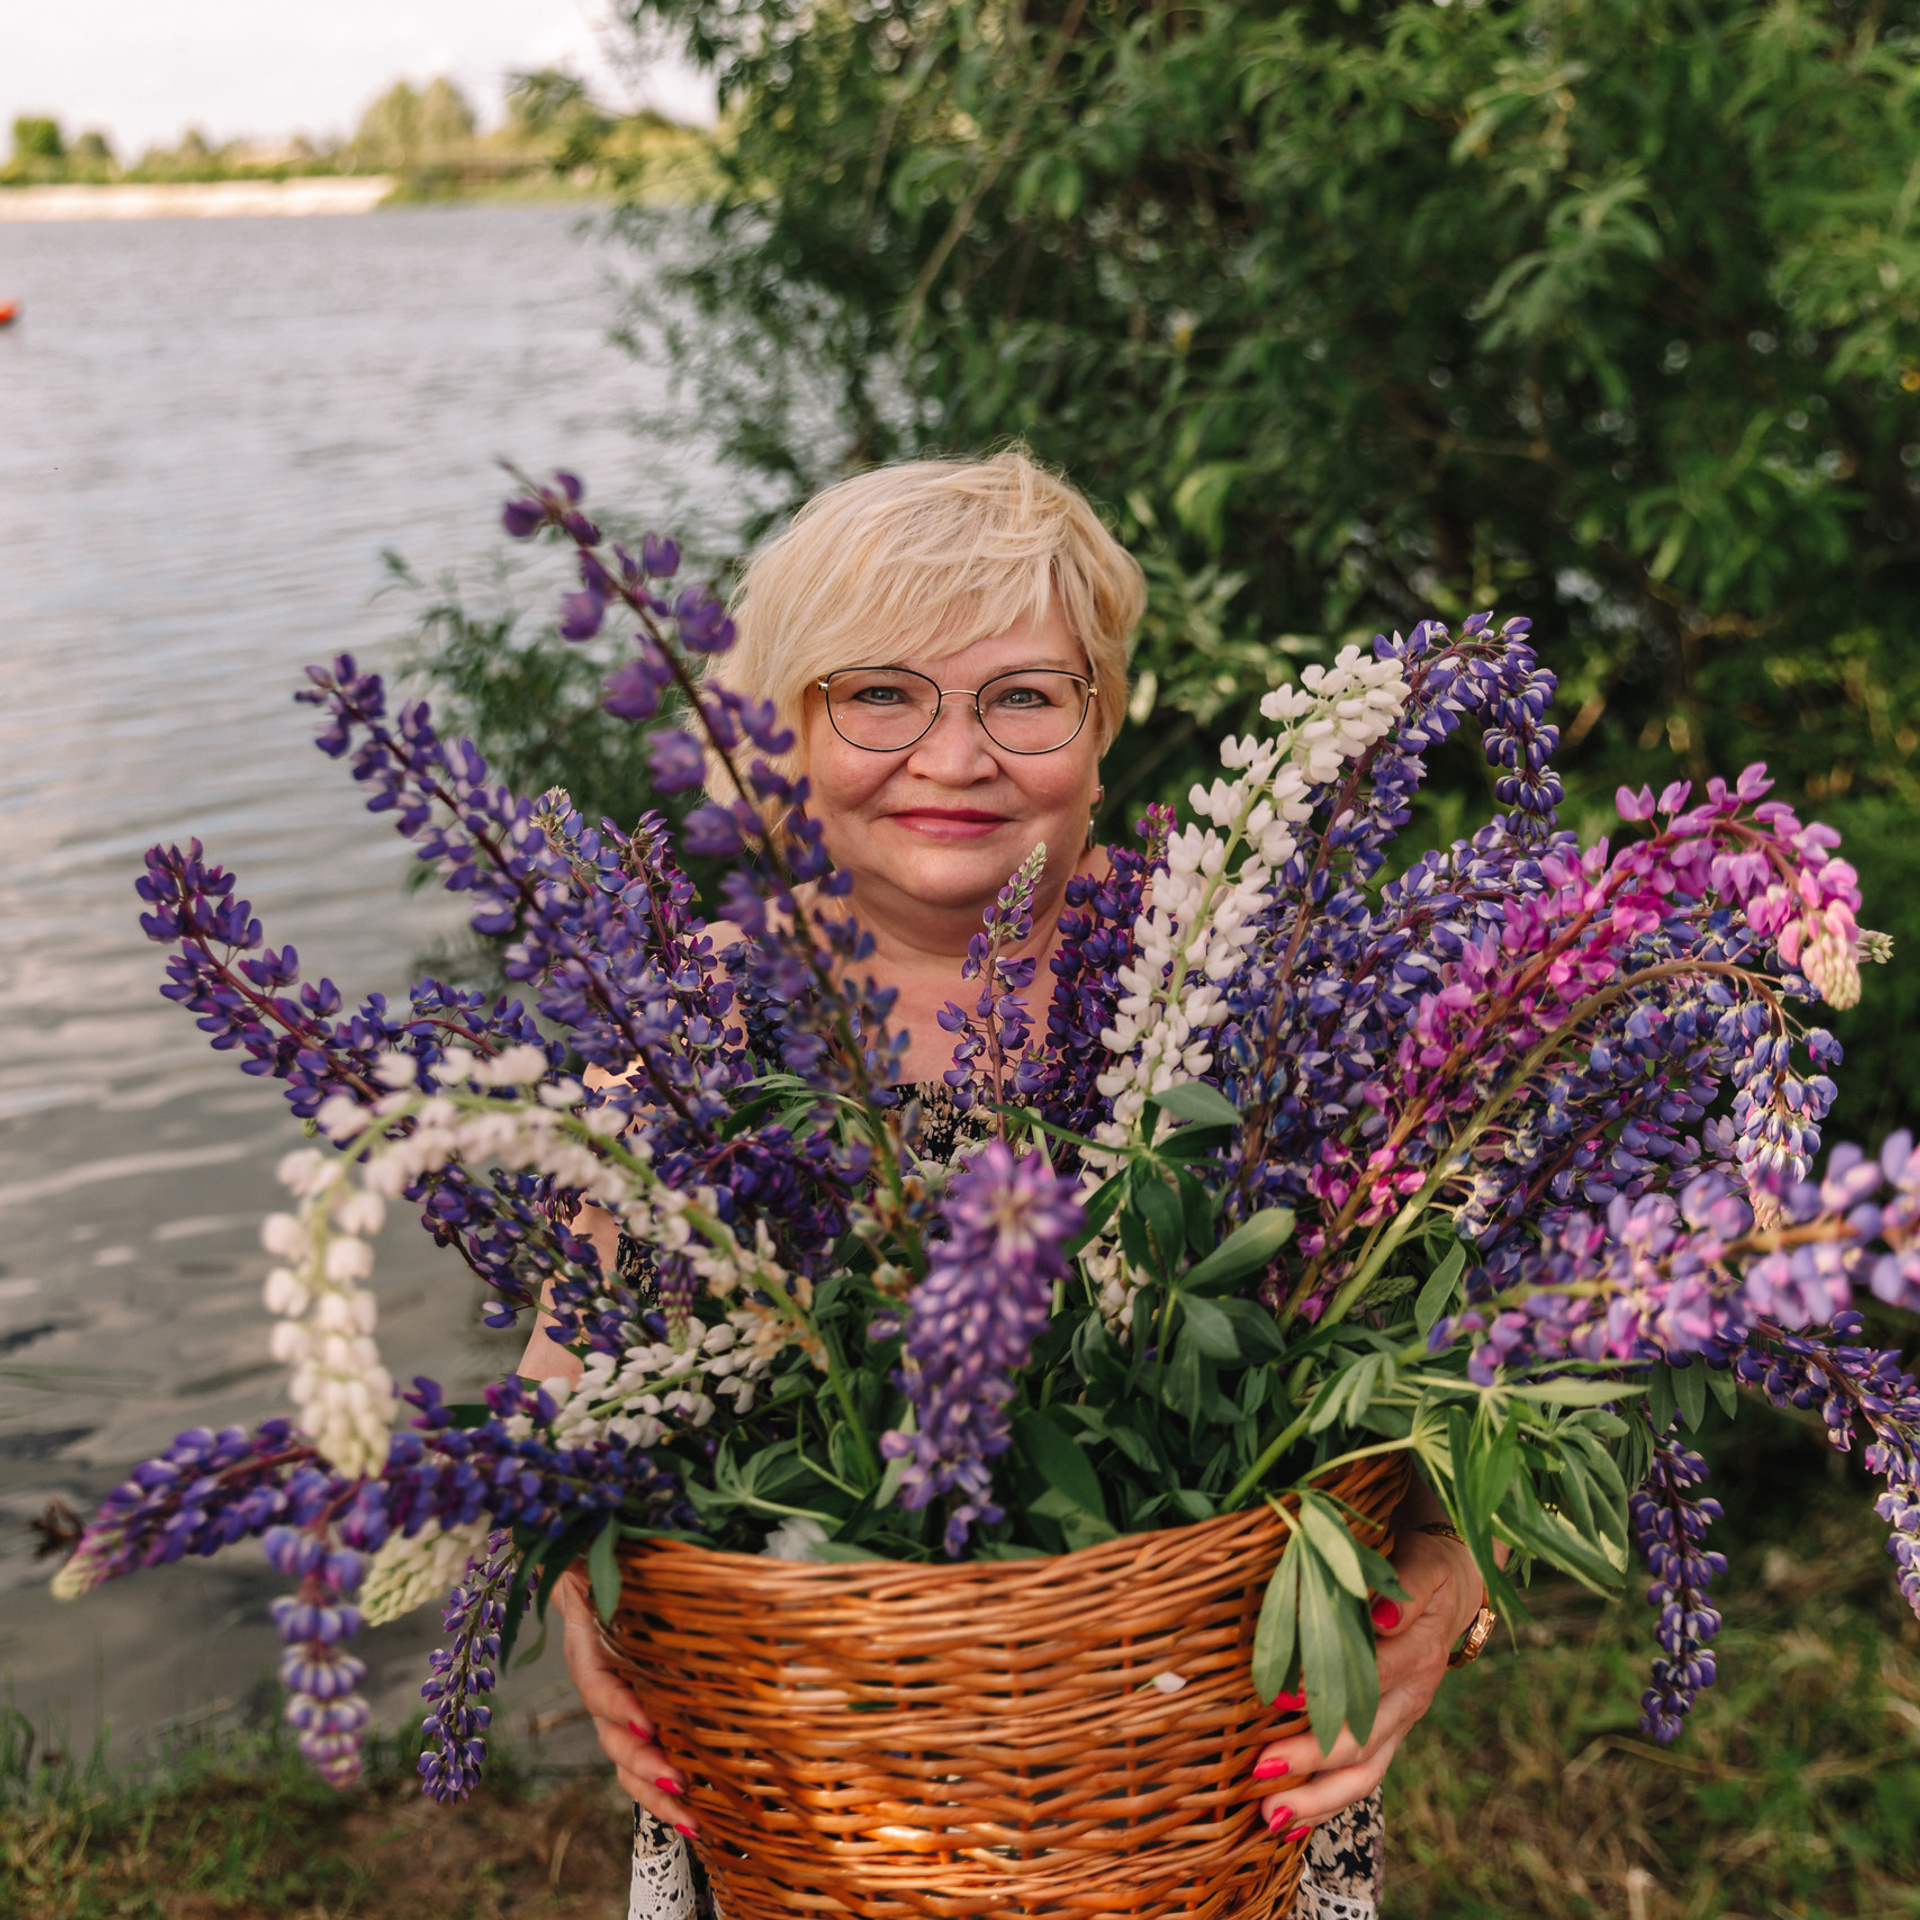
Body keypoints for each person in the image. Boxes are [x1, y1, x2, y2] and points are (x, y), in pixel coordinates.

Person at [517, 450, 1490, 1920]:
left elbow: (1455, 1371)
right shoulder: (681, 1021)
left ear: (1102, 727)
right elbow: (560, 1399)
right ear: (778, 731)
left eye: (1025, 697)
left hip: (1209, 1816)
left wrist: (1446, 1594)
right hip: (814, 1821)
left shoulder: (1259, 986)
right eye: (879, 695)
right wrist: (582, 1596)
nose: (957, 757)